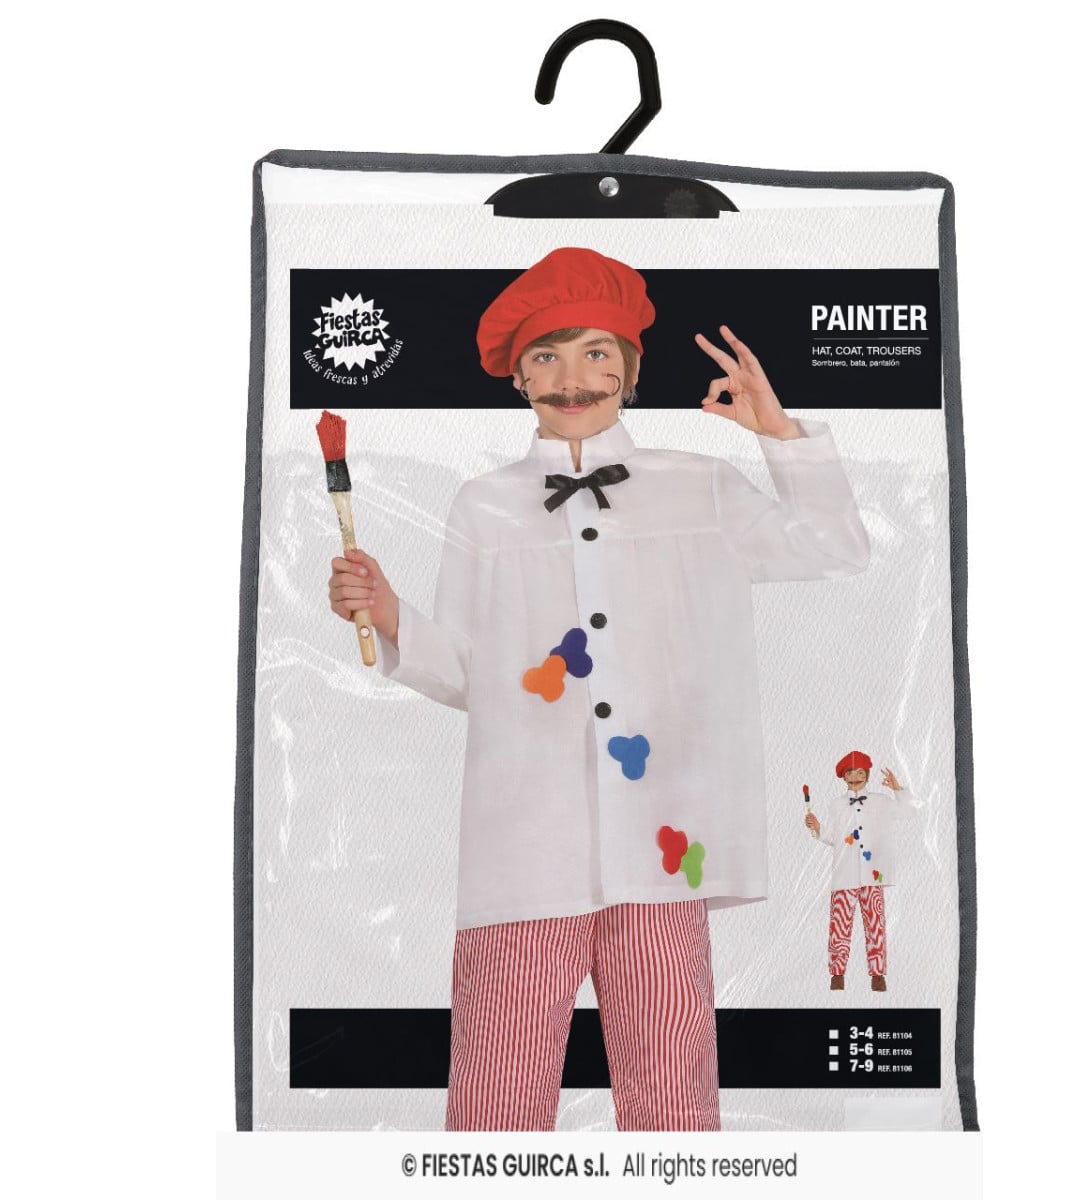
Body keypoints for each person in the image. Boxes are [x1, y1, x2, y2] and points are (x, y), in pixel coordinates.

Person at [327, 246, 870, 1130]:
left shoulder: (699, 487)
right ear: (517, 377)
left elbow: (835, 549)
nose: (570, 378)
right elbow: (469, 675)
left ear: (630, 367)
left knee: (674, 1105)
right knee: (496, 1105)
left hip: (664, 849)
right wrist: (389, 614)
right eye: (545, 356)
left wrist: (779, 436)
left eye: (593, 352)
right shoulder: (481, 505)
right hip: (522, 852)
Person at [805, 751, 917, 992]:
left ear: (866, 774)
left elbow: (909, 812)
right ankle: (837, 973)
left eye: (859, 772)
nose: (855, 777)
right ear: (843, 777)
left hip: (873, 874)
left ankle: (878, 973)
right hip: (844, 874)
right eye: (850, 773)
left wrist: (898, 789)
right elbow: (836, 838)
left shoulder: (881, 801)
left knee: (875, 924)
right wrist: (818, 828)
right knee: (839, 925)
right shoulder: (836, 804)